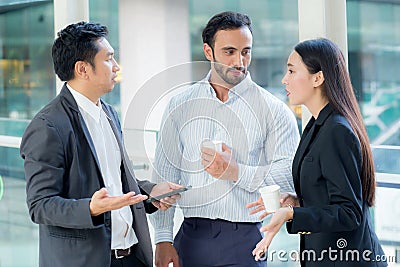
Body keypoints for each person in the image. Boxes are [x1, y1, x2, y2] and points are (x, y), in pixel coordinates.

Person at [20, 21, 183, 267]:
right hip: (87, 260)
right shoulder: (48, 126)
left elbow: (114, 181)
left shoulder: (107, 112)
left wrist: (150, 192)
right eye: (109, 59)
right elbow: (40, 205)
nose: (116, 67)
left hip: (132, 256)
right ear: (83, 69)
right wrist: (91, 208)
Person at [150, 11, 300, 267]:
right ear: (209, 52)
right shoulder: (181, 105)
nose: (239, 61)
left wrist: (235, 171)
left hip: (246, 241)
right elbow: (165, 175)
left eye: (246, 51)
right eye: (230, 52)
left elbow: (287, 178)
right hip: (190, 237)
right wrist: (163, 239)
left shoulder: (273, 110)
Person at [247, 38, 387, 266]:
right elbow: (328, 195)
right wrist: (295, 203)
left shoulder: (336, 131)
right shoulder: (315, 125)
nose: (284, 79)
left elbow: (349, 212)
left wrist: (293, 215)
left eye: (292, 71)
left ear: (318, 78)